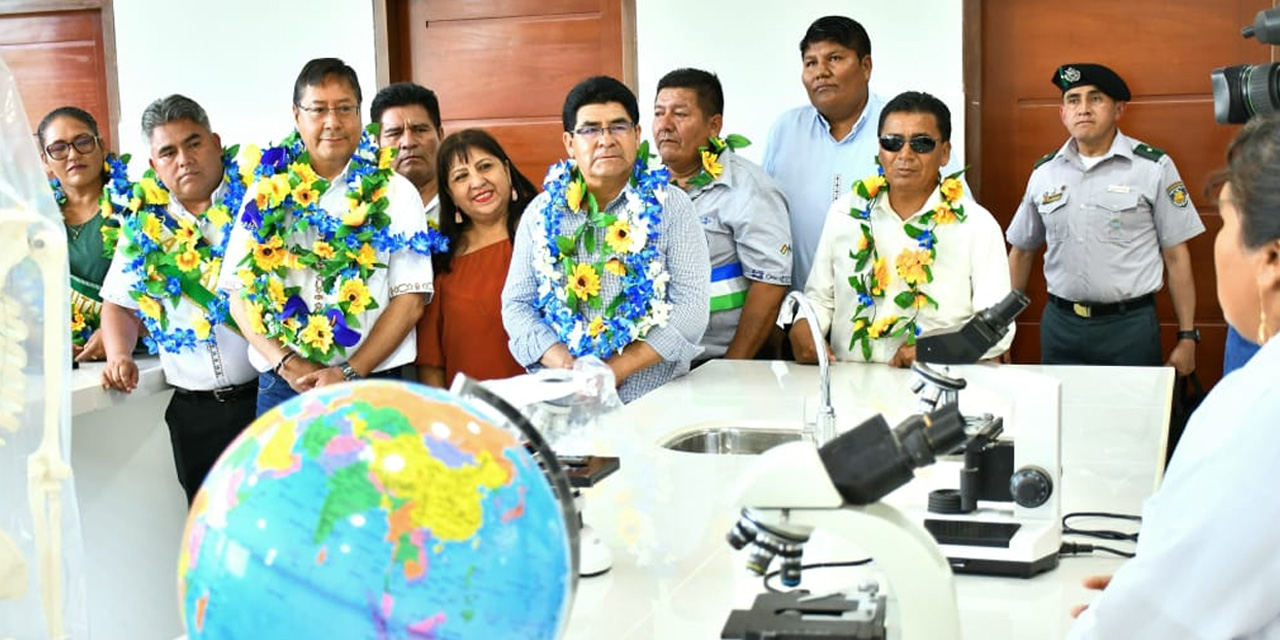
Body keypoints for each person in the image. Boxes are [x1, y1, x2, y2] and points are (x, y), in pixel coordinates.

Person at [1067, 111, 1280, 640]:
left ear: (1271, 259)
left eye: (1227, 224)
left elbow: (1156, 628)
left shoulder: (1258, 406)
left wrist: (1139, 605)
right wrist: (1164, 584)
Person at [217, 58, 438, 415]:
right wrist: (286, 362)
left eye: (344, 109)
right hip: (284, 386)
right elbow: (238, 294)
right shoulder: (265, 190)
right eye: (319, 109)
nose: (332, 122)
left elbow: (410, 300)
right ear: (296, 114)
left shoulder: (397, 193)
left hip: (374, 384)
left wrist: (349, 372)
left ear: (359, 114)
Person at [502, 75, 710, 403]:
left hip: (653, 395)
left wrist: (615, 370)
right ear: (570, 142)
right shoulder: (541, 212)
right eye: (590, 129)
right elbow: (517, 305)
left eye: (618, 126)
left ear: (637, 134)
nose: (606, 139)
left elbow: (691, 308)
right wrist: (568, 366)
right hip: (566, 396)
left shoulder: (671, 206)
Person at [98, 95, 257, 504]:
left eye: (194, 143)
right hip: (194, 413)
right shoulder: (145, 229)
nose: (184, 159)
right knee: (207, 529)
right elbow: (118, 303)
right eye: (168, 152)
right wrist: (119, 355)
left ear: (217, 142)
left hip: (264, 399)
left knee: (280, 522)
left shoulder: (259, 205)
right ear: (154, 166)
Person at [791, 91, 1012, 367]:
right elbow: (819, 299)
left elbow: (997, 326)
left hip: (937, 385)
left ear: (944, 153)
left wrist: (934, 349)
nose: (904, 154)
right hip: (851, 386)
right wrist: (804, 327)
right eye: (892, 143)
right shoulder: (845, 213)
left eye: (921, 144)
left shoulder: (976, 225)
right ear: (880, 149)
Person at [1007, 64, 1203, 374]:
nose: (1083, 109)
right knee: (1062, 419)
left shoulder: (1153, 167)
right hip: (1061, 327)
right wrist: (1003, 331)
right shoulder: (1044, 173)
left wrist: (1188, 336)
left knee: (1133, 422)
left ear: (1118, 109)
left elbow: (1177, 256)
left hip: (1129, 329)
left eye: (1095, 99)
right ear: (1063, 113)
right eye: (1073, 100)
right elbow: (1021, 252)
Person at [763, 15, 962, 291]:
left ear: (866, 66)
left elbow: (956, 215)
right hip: (802, 311)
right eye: (811, 63)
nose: (821, 71)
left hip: (889, 314)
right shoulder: (785, 131)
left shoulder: (902, 127)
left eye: (834, 58)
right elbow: (766, 221)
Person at [653, 68, 791, 362]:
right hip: (654, 361)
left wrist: (732, 367)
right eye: (658, 113)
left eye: (679, 114)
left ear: (713, 125)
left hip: (716, 359)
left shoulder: (750, 189)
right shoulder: (644, 187)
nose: (665, 125)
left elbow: (769, 284)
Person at [416, 129, 538, 387]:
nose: (477, 181)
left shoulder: (546, 231)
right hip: (474, 416)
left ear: (506, 170)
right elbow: (430, 363)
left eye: (485, 167)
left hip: (553, 407)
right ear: (450, 195)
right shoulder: (440, 261)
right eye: (461, 176)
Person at [38, 106, 126, 361]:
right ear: (45, 159)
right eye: (59, 148)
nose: (73, 154)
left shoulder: (136, 208)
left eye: (83, 142)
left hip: (136, 360)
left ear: (101, 145)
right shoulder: (36, 219)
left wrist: (118, 332)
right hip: (65, 364)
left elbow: (165, 287)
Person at [371, 81, 444, 225]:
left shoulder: (466, 200)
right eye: (394, 133)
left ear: (440, 135)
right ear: (377, 144)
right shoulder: (362, 210)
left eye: (420, 130)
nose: (408, 143)